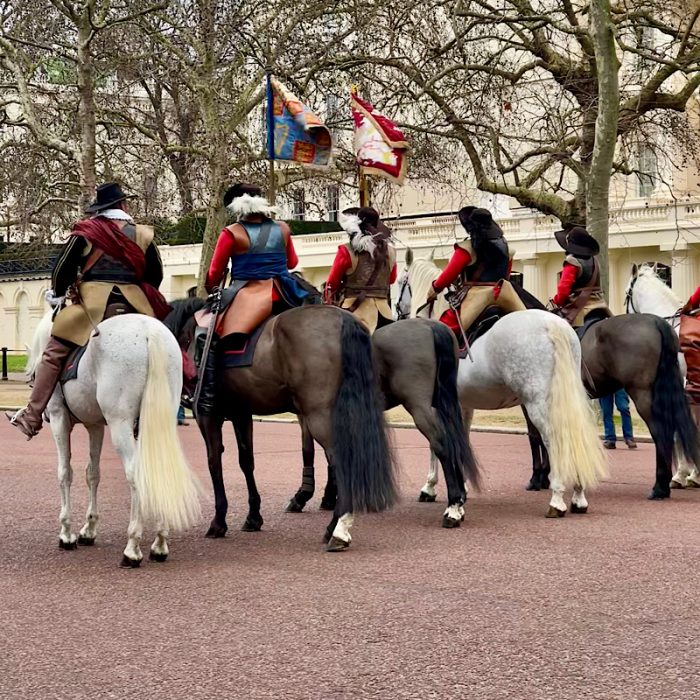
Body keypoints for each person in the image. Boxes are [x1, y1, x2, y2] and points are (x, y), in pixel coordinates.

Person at [6, 182, 167, 439]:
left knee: (53, 350)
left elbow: (62, 271)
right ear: (123, 206)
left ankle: (33, 414)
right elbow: (156, 274)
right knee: (169, 343)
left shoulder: (86, 232)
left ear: (100, 209)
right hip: (136, 305)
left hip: (94, 304)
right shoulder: (143, 234)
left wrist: (58, 296)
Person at [197, 183, 313, 416]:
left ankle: (207, 396)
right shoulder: (282, 228)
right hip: (287, 291)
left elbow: (214, 272)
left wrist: (211, 287)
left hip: (248, 293)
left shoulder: (231, 233)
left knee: (204, 333)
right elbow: (291, 263)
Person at [426, 206, 525, 340]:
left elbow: (448, 276)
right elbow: (506, 275)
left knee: (443, 331)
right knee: (529, 323)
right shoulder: (507, 248)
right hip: (505, 293)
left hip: (476, 297)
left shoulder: (466, 248)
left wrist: (434, 289)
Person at [324, 206, 397, 333]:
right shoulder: (391, 251)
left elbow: (332, 283)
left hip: (354, 313)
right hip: (385, 314)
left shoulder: (346, 251)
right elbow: (391, 279)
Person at [550, 226, 611, 327]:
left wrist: (556, 301)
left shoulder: (572, 262)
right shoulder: (595, 260)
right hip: (599, 303)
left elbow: (563, 290)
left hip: (579, 307)